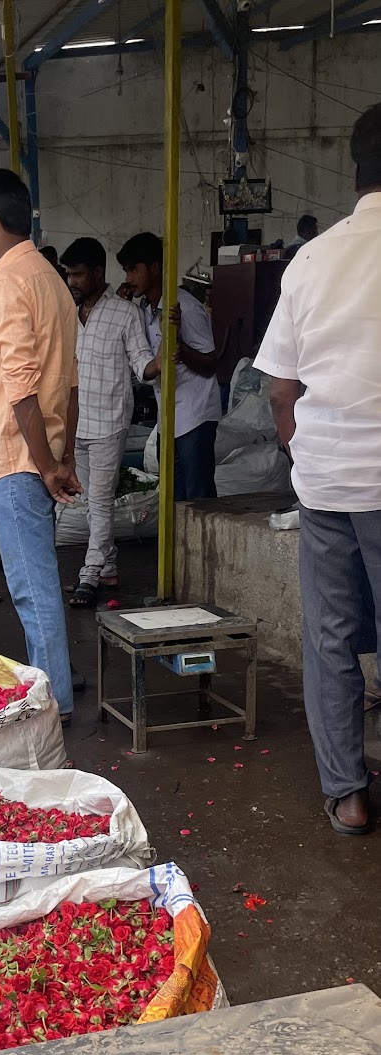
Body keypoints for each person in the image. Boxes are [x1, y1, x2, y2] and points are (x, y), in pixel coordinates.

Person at [256, 103, 381, 836]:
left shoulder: (313, 259)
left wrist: (306, 456)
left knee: (332, 639)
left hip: (328, 481)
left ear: (354, 170)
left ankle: (349, 794)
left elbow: (280, 389)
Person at [0, 169, 80, 722]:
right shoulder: (51, 279)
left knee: (34, 593)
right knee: (39, 587)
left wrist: (46, 463)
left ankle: (52, 705)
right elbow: (70, 382)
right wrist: (64, 457)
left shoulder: (10, 282)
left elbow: (22, 389)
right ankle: (54, 693)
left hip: (17, 460)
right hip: (41, 455)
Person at [59, 236, 158, 607]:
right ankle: (109, 567)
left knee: (99, 502)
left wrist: (163, 359)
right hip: (76, 425)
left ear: (98, 273)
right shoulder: (69, 314)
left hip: (110, 424)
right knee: (89, 504)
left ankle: (89, 575)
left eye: (79, 274)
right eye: (69, 274)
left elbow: (142, 364)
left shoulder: (125, 314)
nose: (72, 281)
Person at [117, 231, 221, 501]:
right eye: (126, 271)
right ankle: (178, 546)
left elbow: (211, 364)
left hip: (195, 417)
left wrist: (179, 347)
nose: (128, 278)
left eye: (133, 270)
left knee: (197, 499)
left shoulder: (185, 307)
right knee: (172, 499)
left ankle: (202, 545)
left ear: (153, 267)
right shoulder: (143, 311)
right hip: (168, 419)